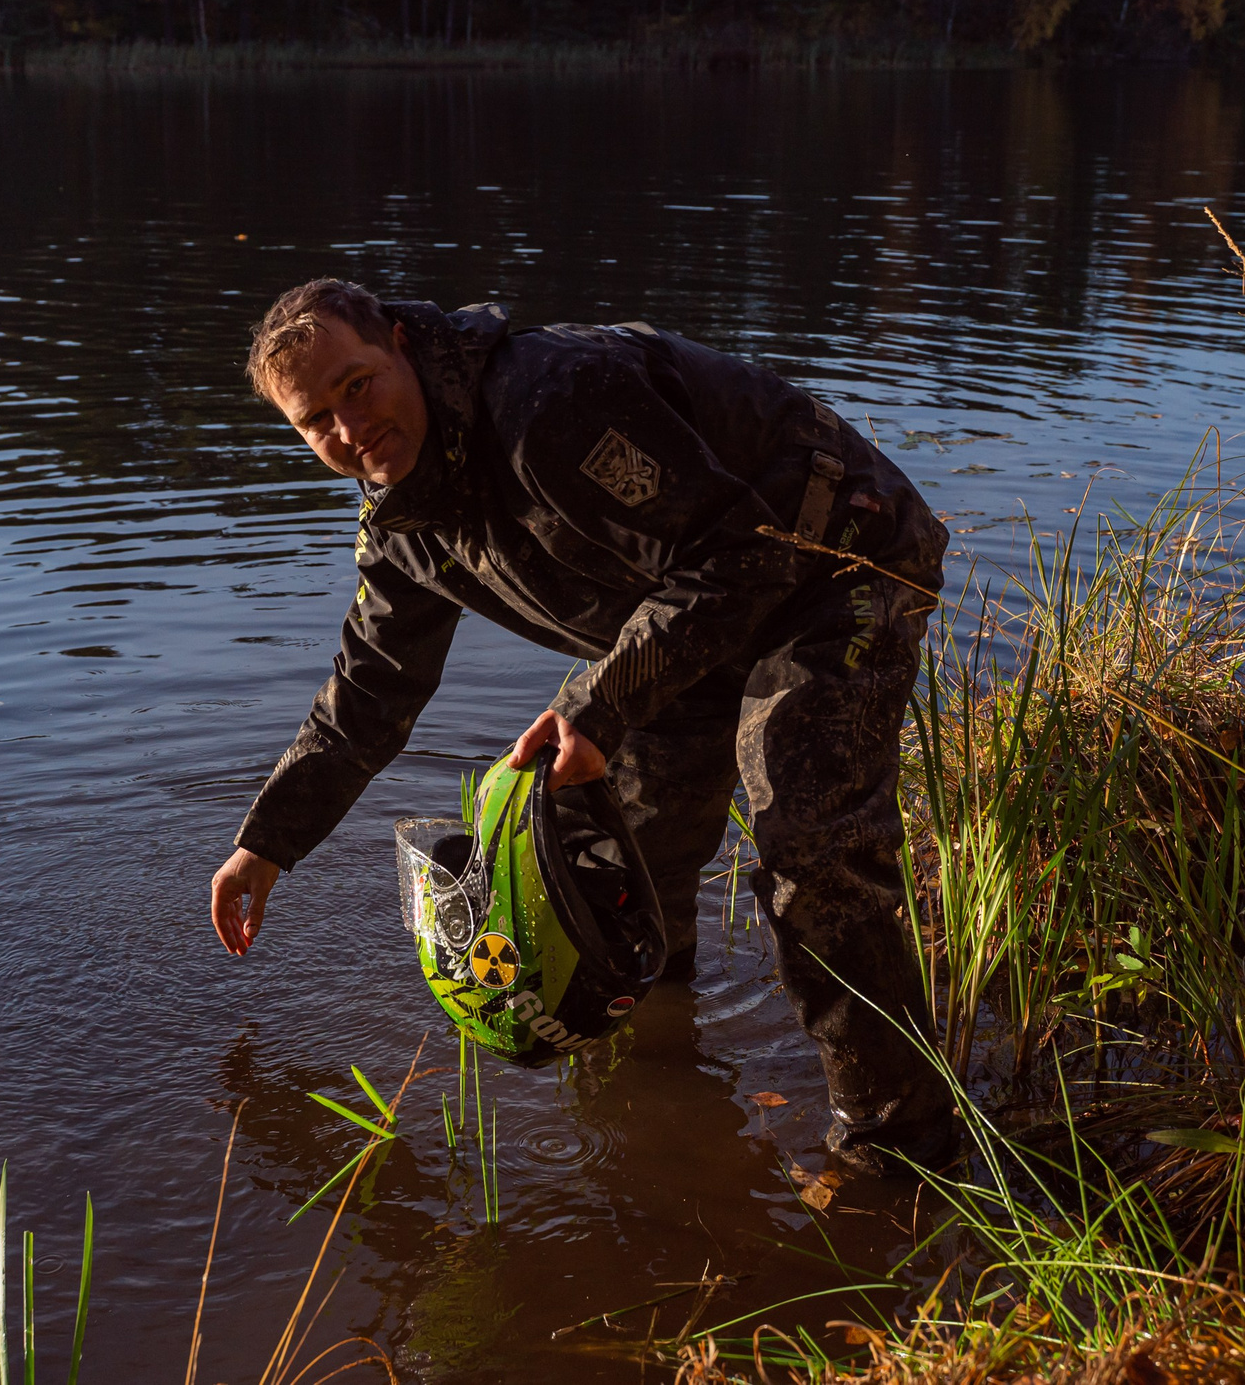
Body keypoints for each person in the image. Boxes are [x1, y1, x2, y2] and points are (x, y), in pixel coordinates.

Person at [208, 278, 953, 1170]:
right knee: (624, 859)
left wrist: (596, 703)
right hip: (682, 620)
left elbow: (745, 554)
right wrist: (267, 843)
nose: (349, 427)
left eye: (356, 385)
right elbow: (371, 691)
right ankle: (657, 1095)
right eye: (315, 420)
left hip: (835, 561)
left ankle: (899, 1155)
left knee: (811, 846)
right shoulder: (402, 521)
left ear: (401, 342)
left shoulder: (549, 400)